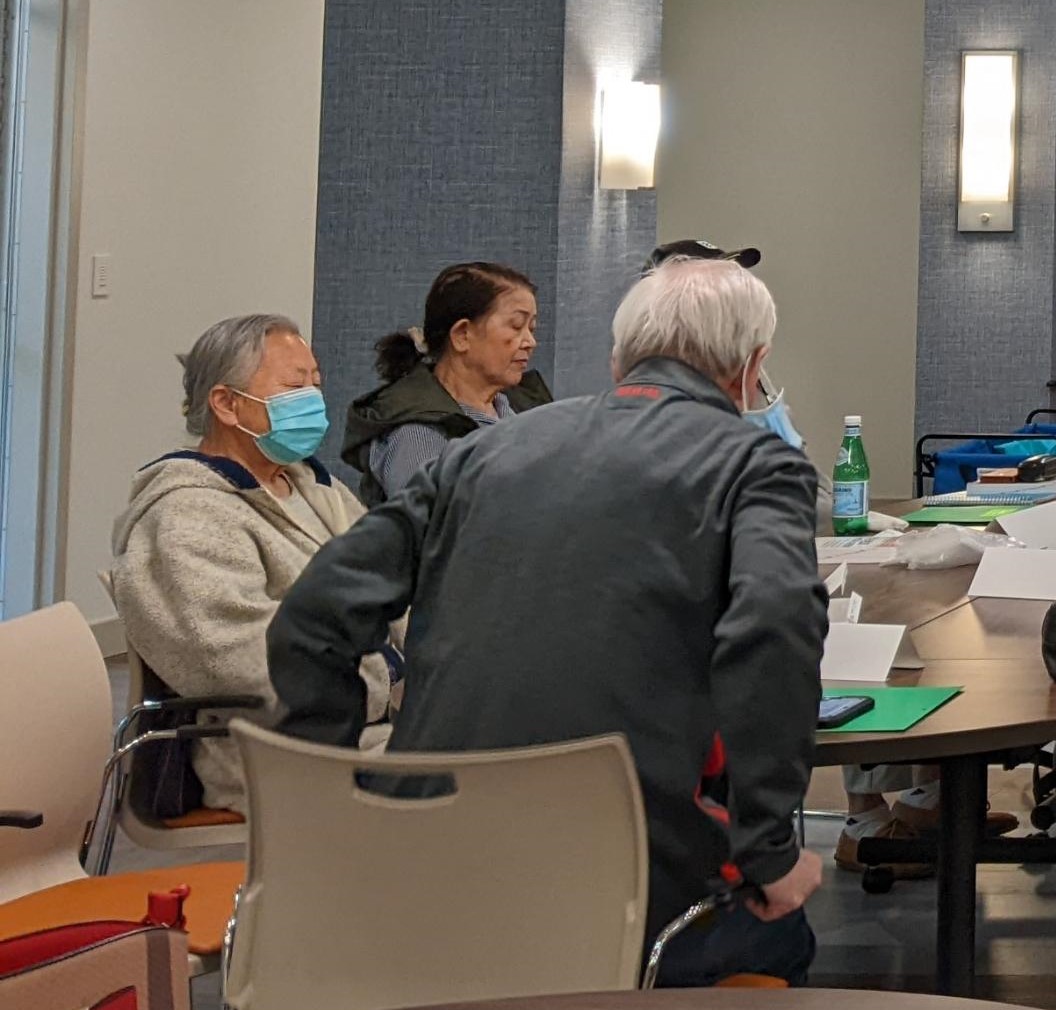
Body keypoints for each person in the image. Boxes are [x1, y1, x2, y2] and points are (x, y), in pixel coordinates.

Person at [271, 251, 826, 986]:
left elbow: (313, 614)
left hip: (416, 867)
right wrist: (767, 850)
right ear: (752, 371)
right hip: (623, 885)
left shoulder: (481, 454)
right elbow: (774, 629)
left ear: (619, 356)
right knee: (786, 936)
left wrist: (334, 787)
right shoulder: (756, 462)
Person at [110, 314, 394, 814]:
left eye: (315, 383)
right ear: (226, 403)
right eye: (293, 386)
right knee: (503, 787)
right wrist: (391, 676)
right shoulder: (187, 515)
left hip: (371, 726)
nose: (313, 399)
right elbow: (242, 660)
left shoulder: (311, 488)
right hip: (286, 754)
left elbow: (394, 581)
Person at [335, 259, 551, 504]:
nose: (530, 342)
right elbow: (440, 529)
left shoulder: (526, 408)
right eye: (516, 326)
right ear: (462, 335)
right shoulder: (417, 433)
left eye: (531, 329)